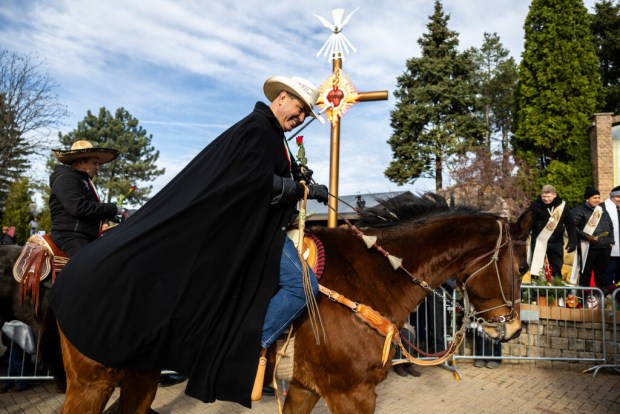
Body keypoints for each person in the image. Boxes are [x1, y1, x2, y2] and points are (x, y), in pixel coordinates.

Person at [47, 75, 328, 408]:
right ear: (282, 98)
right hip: (242, 229)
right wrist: (299, 190)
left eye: (304, 117)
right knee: (302, 285)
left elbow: (260, 175)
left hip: (255, 226)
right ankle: (247, 344)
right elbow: (247, 180)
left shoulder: (268, 133)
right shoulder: (258, 129)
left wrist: (299, 179)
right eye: (298, 110)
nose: (299, 118)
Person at [49, 140, 123, 257]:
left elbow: (91, 210)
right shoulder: (66, 179)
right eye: (95, 163)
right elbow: (79, 207)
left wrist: (116, 215)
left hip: (84, 235)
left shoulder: (83, 180)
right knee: (90, 266)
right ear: (81, 162)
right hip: (70, 235)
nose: (98, 168)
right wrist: (113, 208)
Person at [528, 185, 578, 280]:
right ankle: (536, 292)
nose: (546, 199)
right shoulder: (535, 205)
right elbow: (528, 223)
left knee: (556, 268)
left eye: (548, 197)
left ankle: (556, 291)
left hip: (556, 242)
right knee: (536, 268)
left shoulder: (562, 206)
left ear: (554, 195)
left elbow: (570, 224)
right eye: (544, 197)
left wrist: (573, 241)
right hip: (539, 241)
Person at [571, 187, 614, 288]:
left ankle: (601, 296)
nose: (598, 200)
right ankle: (584, 296)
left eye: (599, 197)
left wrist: (611, 241)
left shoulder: (602, 210)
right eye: (594, 198)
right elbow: (572, 227)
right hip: (588, 247)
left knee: (602, 274)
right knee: (586, 273)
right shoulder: (578, 211)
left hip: (605, 247)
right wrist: (586, 236)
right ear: (587, 199)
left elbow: (610, 226)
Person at [604, 185, 620, 285]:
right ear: (612, 197)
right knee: (608, 274)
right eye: (618, 196)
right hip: (610, 250)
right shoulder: (603, 207)